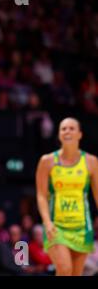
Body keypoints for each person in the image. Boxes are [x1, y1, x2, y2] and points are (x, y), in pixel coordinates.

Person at [36, 117, 98, 276]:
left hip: (82, 228)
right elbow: (41, 195)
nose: (67, 131)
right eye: (63, 129)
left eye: (71, 128)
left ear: (80, 134)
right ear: (58, 135)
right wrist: (47, 222)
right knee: (65, 269)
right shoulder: (47, 161)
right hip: (56, 226)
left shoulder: (91, 161)